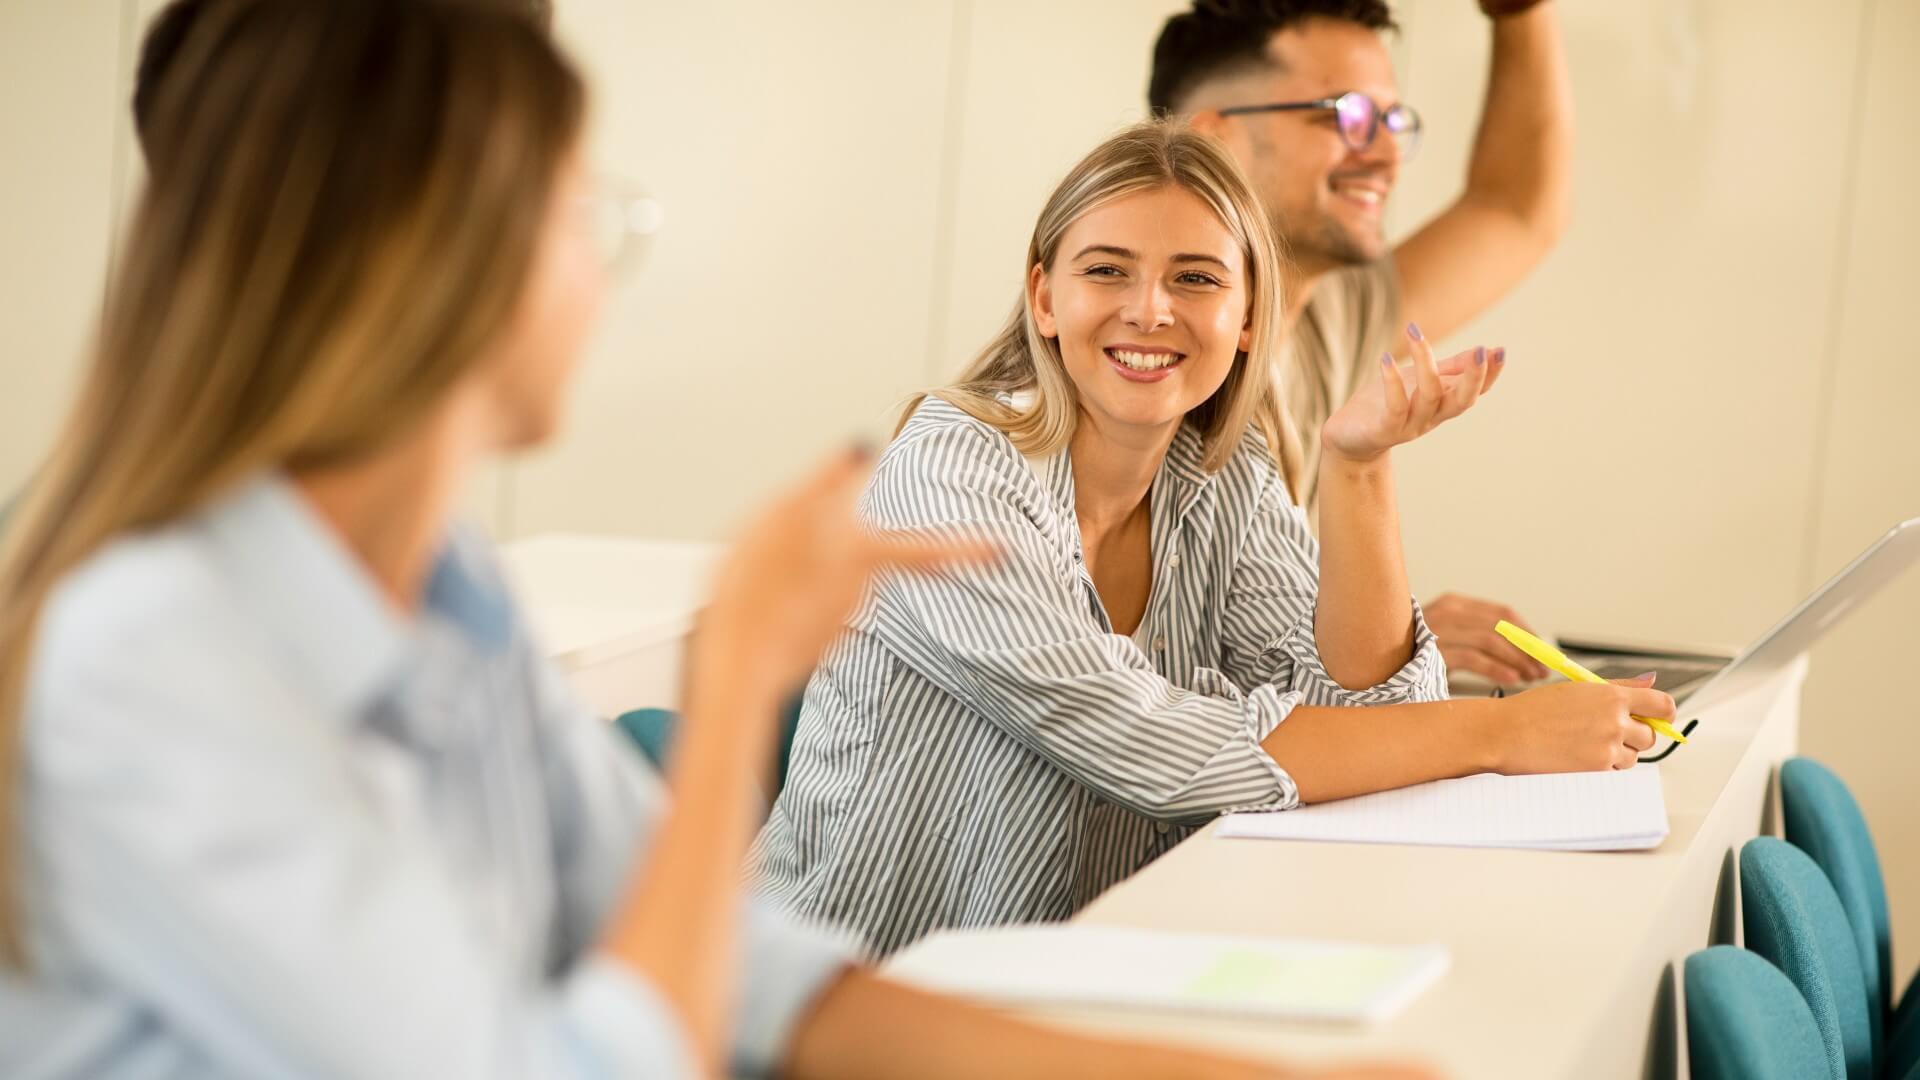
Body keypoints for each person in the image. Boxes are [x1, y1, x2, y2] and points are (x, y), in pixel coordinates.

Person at [0, 3, 1431, 1078]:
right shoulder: (149, 657)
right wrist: (740, 674)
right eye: (584, 207)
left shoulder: (448, 604)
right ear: (436, 253)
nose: (607, 259)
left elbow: (763, 978)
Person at [751, 119, 1673, 958]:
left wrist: (1357, 468)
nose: (1150, 310)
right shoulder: (954, 468)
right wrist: (1502, 731)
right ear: (1043, 296)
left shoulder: (1224, 472)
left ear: (1244, 321)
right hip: (837, 1003)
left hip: (1070, 981)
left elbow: (1371, 721)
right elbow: (1151, 747)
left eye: (1196, 278)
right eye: (1106, 270)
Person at [1150, 0, 1572, 686]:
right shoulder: (1146, 375)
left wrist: (1519, 12)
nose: (1382, 155)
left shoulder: (1330, 308)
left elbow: (1515, 209)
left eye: (1391, 122)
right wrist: (1390, 647)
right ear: (1214, 142)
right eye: (1345, 115)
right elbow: (1176, 700)